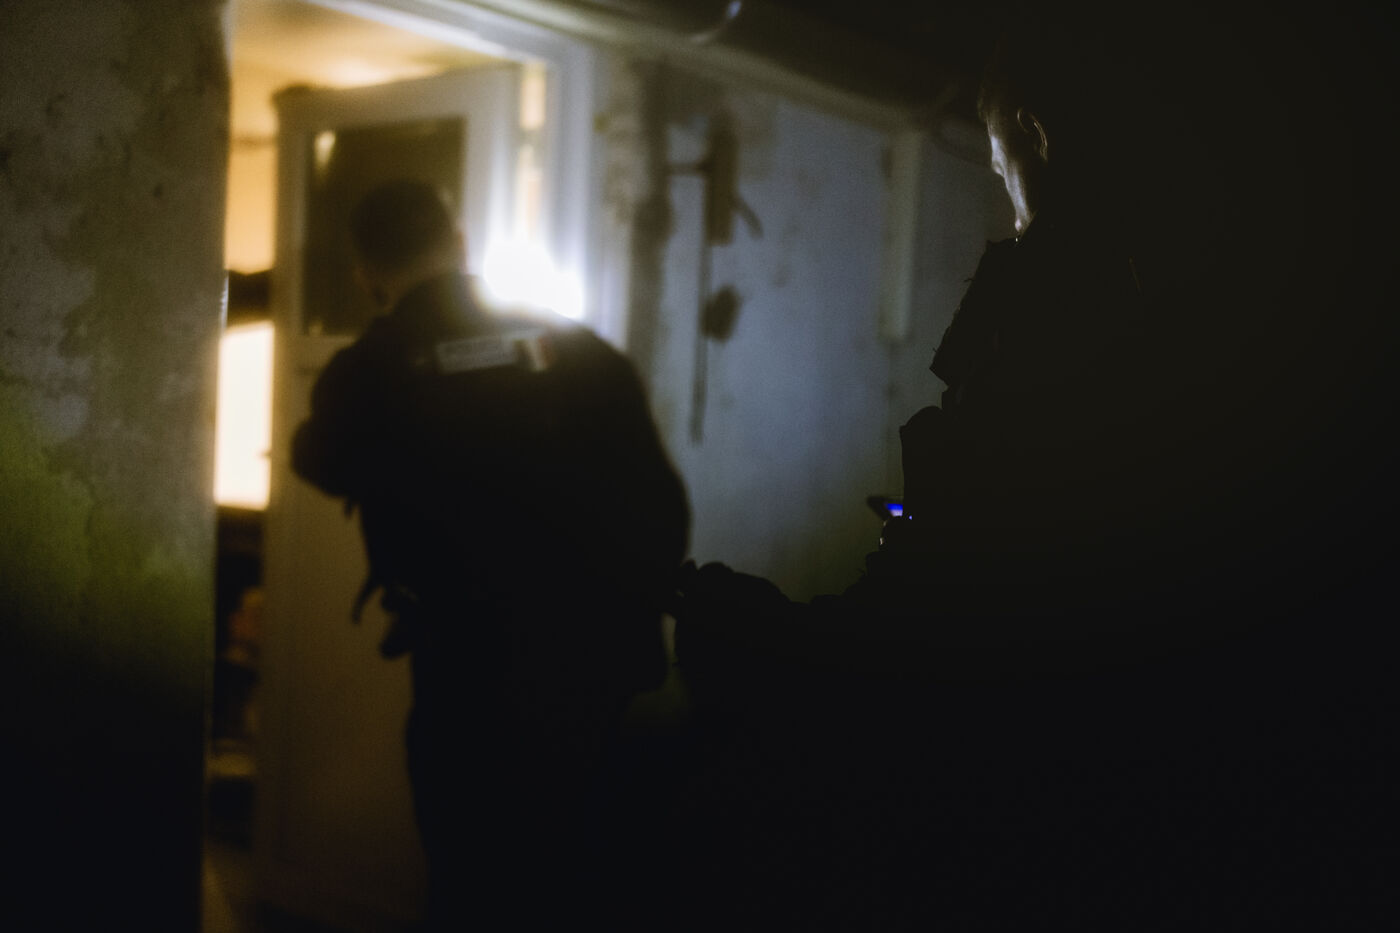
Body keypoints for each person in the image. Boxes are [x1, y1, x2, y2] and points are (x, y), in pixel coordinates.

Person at [291, 179, 690, 931]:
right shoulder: (573, 348)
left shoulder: (371, 371)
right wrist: (635, 635)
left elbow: (320, 459)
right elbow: (661, 507)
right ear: (460, 242)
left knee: (473, 873)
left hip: (468, 674)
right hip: (593, 668)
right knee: (579, 872)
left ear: (366, 273)